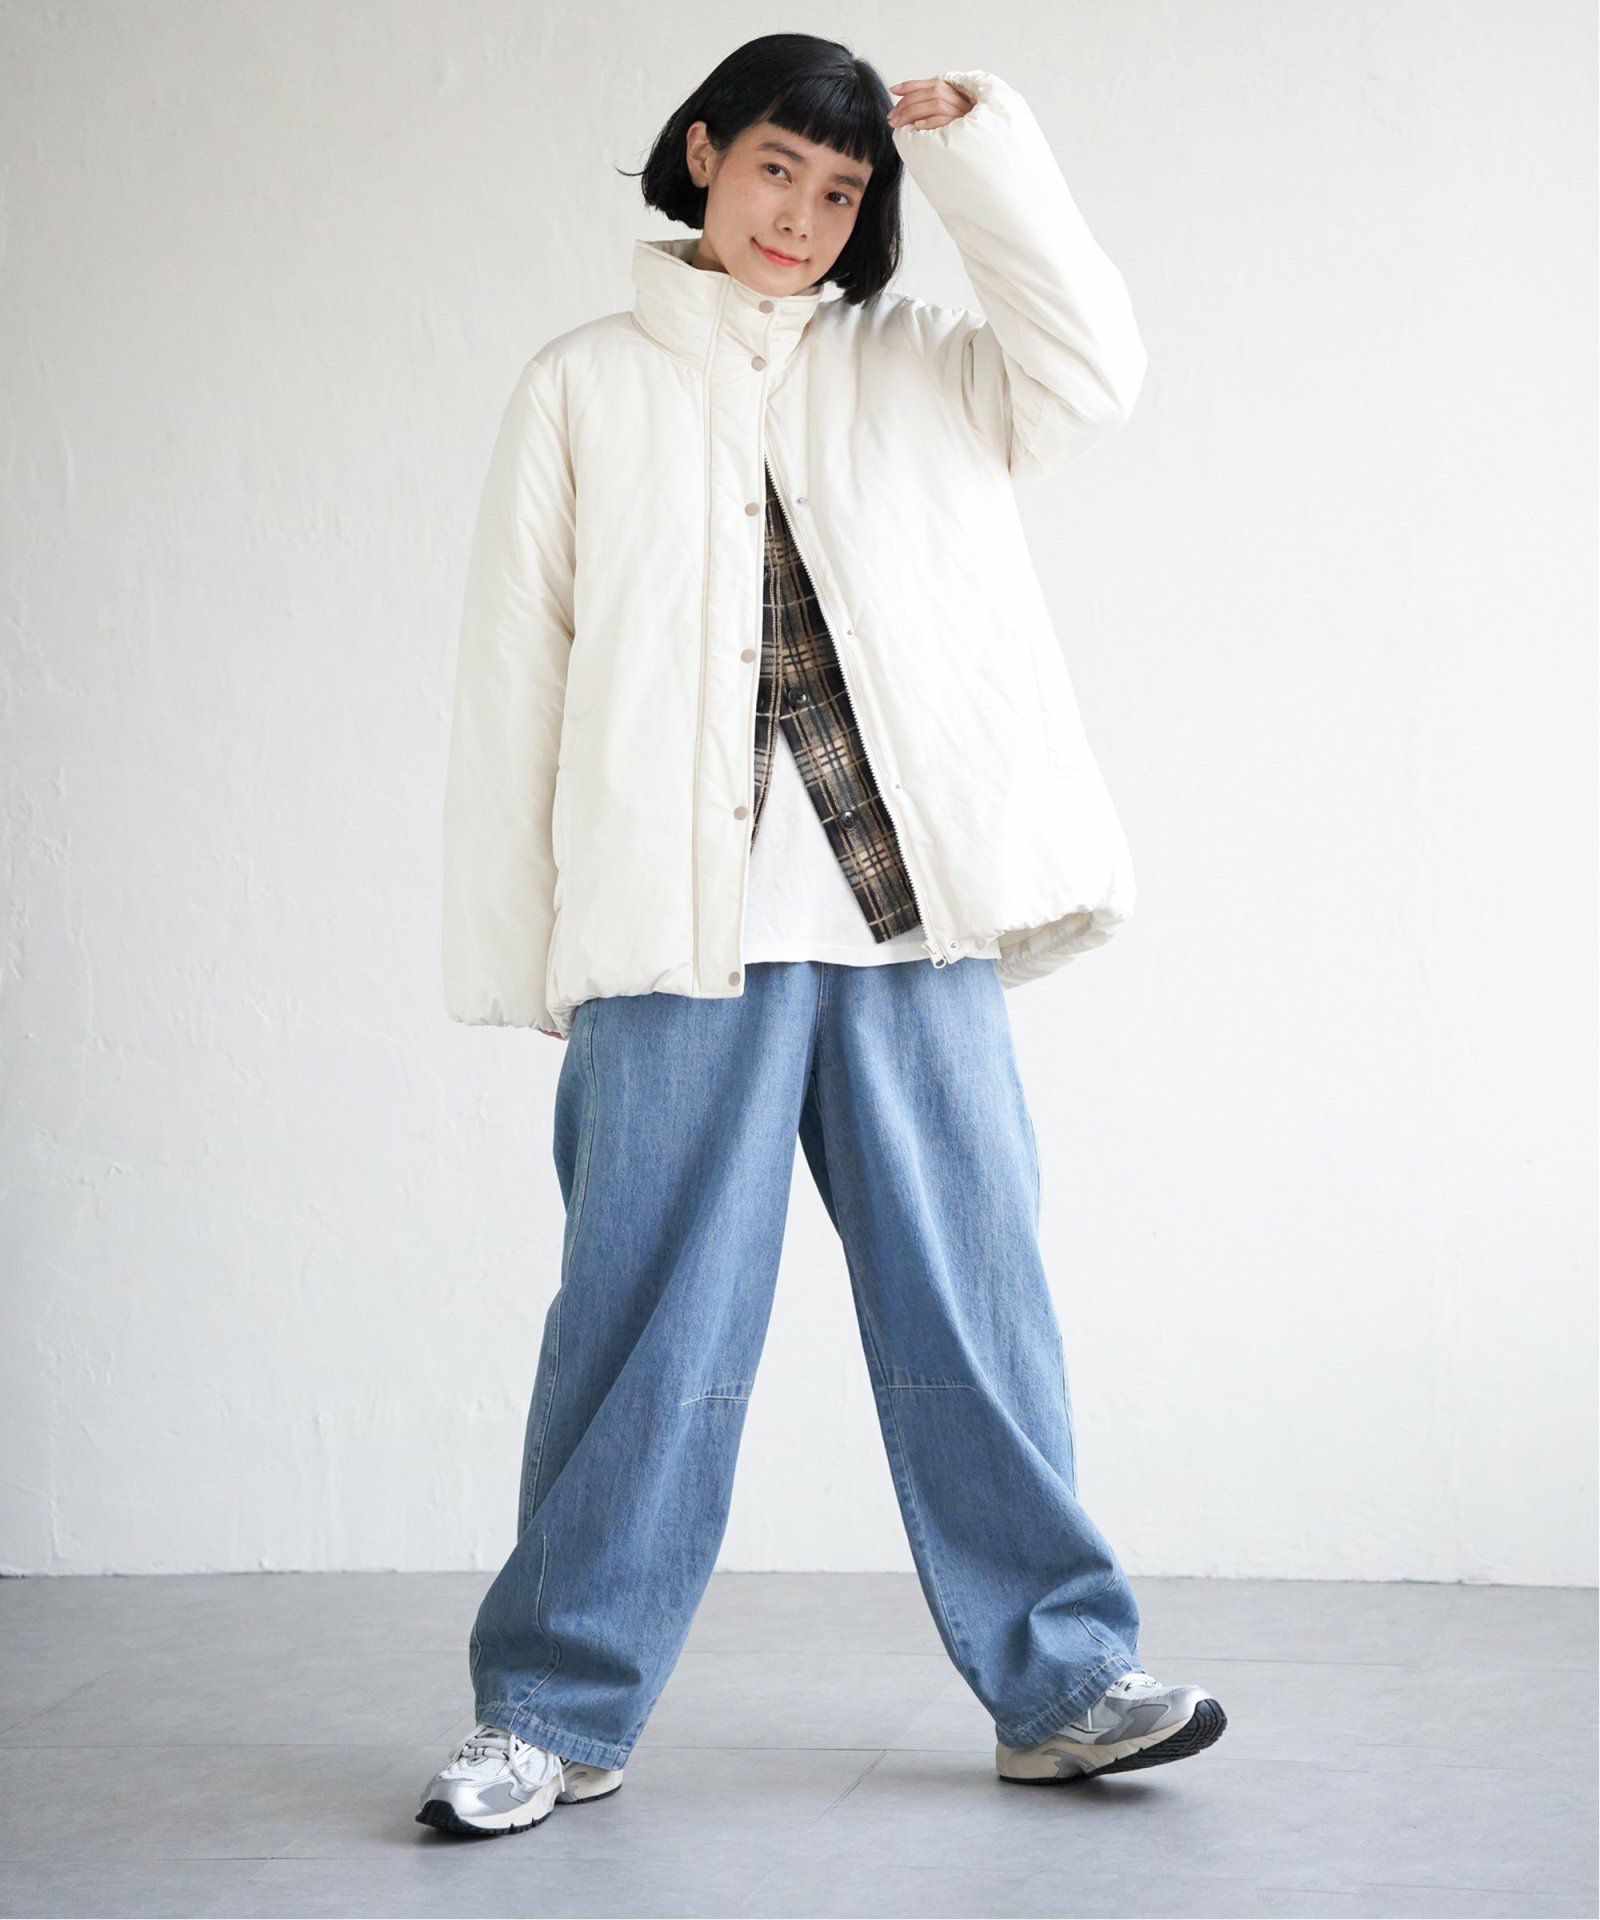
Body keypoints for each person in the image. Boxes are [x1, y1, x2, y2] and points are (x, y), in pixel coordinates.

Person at [418, 34, 1226, 1839]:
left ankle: (1064, 1685)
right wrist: (531, 947)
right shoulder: (584, 384)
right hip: (670, 938)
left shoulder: (923, 363)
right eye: (779, 167)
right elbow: (514, 676)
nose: (802, 215)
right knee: (641, 1333)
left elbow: (1095, 368)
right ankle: (549, 1712)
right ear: (705, 154)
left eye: (845, 191)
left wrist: (989, 150)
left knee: (978, 1316)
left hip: (907, 927)